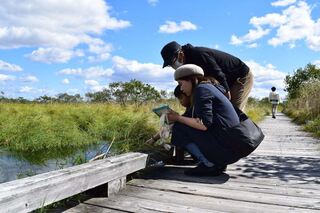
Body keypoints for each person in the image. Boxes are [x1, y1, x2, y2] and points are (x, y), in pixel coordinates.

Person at [167, 64, 251, 176]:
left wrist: (177, 118)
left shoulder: (201, 90)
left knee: (179, 128)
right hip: (232, 147)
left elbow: (204, 124)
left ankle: (210, 164)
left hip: (227, 149)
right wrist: (178, 117)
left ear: (193, 79)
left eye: (181, 84)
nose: (181, 88)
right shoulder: (209, 87)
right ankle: (218, 162)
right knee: (181, 124)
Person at [161, 41, 253, 111]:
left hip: (240, 77)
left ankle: (244, 134)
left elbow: (217, 72)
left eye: (172, 62)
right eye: (170, 65)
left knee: (234, 110)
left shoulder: (199, 54)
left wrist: (226, 90)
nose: (173, 67)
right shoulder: (186, 66)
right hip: (223, 80)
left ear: (181, 54)